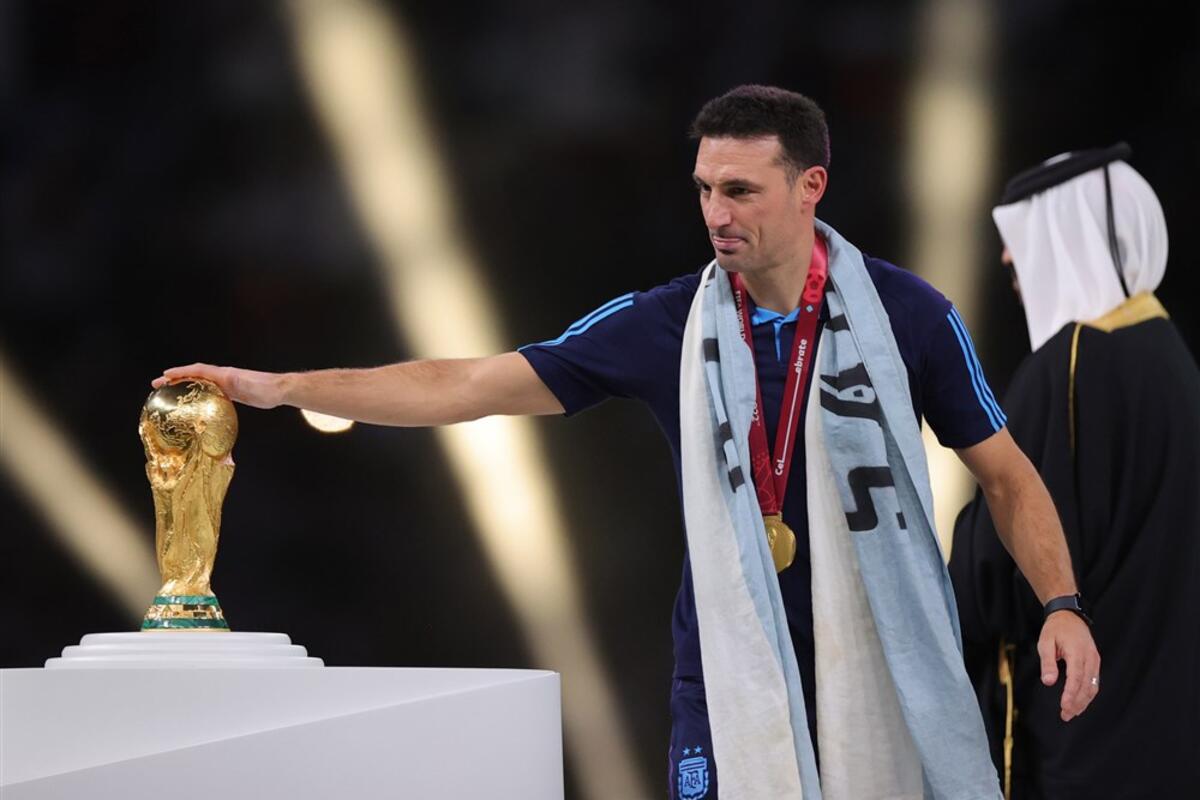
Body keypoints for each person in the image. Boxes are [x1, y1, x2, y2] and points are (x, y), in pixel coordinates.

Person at [157, 85, 1098, 799]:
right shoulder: (666, 325)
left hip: (883, 664)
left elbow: (1007, 477)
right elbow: (469, 385)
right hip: (725, 672)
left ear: (811, 186)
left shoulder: (908, 314)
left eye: (741, 190)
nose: (716, 214)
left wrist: (1061, 602)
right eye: (704, 190)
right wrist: (284, 387)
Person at [950, 144, 1200, 799]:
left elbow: (994, 572)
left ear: (1068, 234)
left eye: (1021, 235)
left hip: (1081, 736)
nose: (1008, 258)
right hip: (1171, 736)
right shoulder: (1173, 360)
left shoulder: (1069, 365)